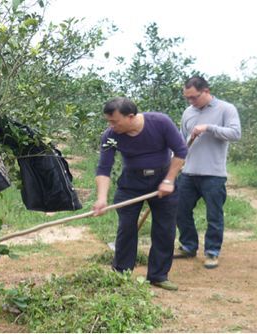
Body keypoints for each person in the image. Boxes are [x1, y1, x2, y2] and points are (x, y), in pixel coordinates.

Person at [93, 97, 187, 291]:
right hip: (131, 183)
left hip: (163, 179)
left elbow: (180, 151)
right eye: (108, 121)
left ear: (131, 117)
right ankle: (122, 274)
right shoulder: (110, 136)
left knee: (165, 229)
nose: (111, 126)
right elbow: (104, 168)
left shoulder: (160, 122)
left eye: (114, 121)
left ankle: (158, 275)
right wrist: (101, 199)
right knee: (126, 227)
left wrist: (169, 180)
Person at [175, 76, 241, 269]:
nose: (191, 102)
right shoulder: (188, 112)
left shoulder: (226, 109)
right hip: (188, 172)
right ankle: (188, 246)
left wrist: (208, 128)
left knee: (214, 215)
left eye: (194, 97)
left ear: (206, 91)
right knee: (180, 210)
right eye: (187, 98)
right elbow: (180, 141)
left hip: (214, 174)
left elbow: (235, 134)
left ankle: (212, 252)